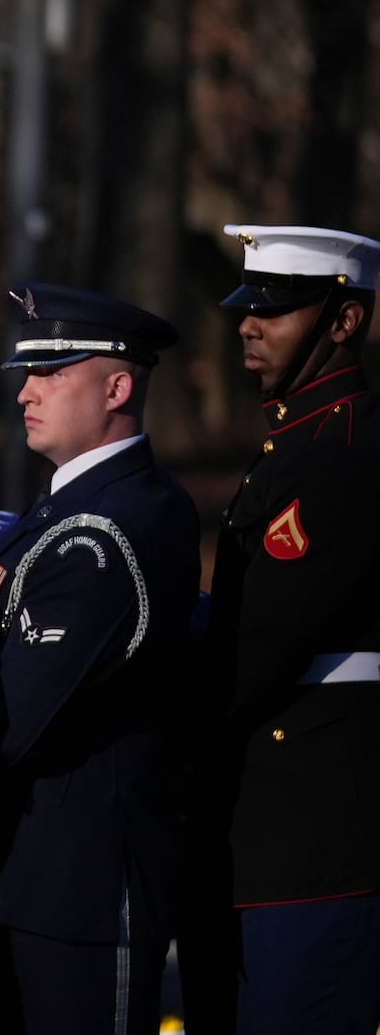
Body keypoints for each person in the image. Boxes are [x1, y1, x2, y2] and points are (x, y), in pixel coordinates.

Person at [0, 283, 200, 1034]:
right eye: (26, 373)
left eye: (52, 371)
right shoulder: (64, 511)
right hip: (6, 871)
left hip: (80, 883)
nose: (26, 391)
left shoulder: (111, 526)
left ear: (118, 386)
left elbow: (19, 713)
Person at [200, 225, 380, 1034]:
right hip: (278, 819)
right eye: (247, 307)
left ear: (346, 322)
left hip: (319, 826)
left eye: (279, 309)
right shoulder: (295, 443)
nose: (249, 324)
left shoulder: (339, 453)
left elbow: (260, 647)